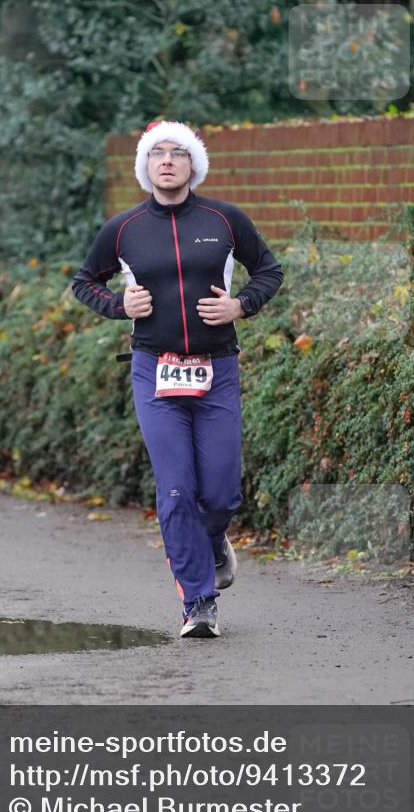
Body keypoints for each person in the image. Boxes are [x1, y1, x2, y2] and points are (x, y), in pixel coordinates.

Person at [72, 121, 284, 639]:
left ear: (193, 165)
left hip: (218, 371)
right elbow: (83, 282)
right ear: (146, 167)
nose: (167, 161)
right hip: (154, 372)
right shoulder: (122, 229)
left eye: (178, 153)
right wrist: (118, 305)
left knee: (221, 494)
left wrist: (241, 305)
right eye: (157, 154)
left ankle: (212, 542)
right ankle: (198, 602)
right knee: (174, 491)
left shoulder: (225, 219)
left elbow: (269, 271)